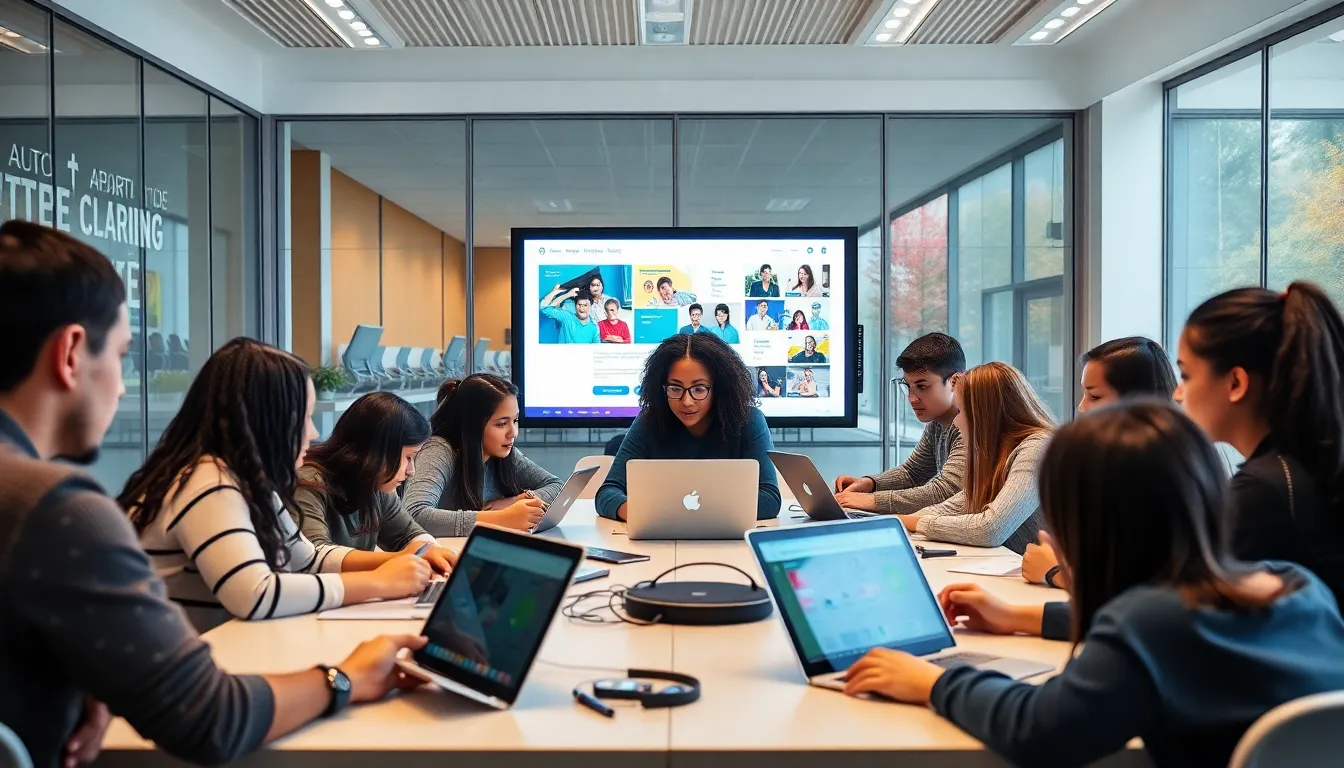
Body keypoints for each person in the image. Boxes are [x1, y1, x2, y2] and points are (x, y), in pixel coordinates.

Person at [0, 221, 426, 768]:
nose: (124, 385)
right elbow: (210, 716)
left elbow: (304, 558)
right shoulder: (59, 509)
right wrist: (347, 678)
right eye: (123, 356)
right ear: (72, 353)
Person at [847, 402, 1344, 768]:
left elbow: (1038, 729)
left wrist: (933, 681)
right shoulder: (1299, 587)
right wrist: (1028, 615)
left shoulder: (1146, 626)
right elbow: (1191, 628)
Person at [122, 339, 435, 633]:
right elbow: (255, 593)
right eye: (305, 416)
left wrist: (401, 564)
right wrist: (379, 583)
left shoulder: (243, 480)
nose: (312, 433)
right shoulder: (208, 481)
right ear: (269, 420)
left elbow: (307, 560)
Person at [1176, 282, 1344, 603]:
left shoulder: (1261, 493)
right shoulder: (1305, 468)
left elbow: (1184, 614)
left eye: (1186, 376)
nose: (1177, 394)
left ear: (1236, 383)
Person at [1022, 336, 1177, 587]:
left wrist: (1056, 572)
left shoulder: (1159, 473)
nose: (1082, 408)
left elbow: (1137, 589)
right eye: (1084, 394)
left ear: (1137, 398)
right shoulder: (1114, 463)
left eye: (1094, 397)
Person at [597, 333, 781, 522]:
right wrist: (641, 514)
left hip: (728, 544)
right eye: (675, 389)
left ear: (720, 388)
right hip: (659, 539)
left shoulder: (749, 421)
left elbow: (770, 499)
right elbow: (608, 492)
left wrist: (684, 514)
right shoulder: (649, 421)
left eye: (699, 389)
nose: (686, 401)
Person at [896, 362, 1053, 552]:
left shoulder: (1038, 448)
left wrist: (918, 523)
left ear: (984, 414)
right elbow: (954, 506)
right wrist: (898, 523)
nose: (956, 421)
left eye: (961, 411)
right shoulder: (996, 452)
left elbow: (991, 529)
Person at [293, 392, 457, 567]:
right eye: (408, 457)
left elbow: (407, 535)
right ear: (377, 453)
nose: (411, 471)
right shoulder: (307, 483)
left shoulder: (375, 484)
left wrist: (432, 551)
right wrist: (409, 557)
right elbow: (314, 554)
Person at [405, 374, 563, 536]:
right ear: (473, 425)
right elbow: (414, 515)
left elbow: (557, 487)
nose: (513, 433)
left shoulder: (504, 452)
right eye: (501, 424)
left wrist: (512, 502)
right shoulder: (438, 451)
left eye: (515, 420)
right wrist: (501, 518)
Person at [834, 333, 966, 515]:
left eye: (922, 387)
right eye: (909, 387)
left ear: (954, 382)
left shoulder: (972, 425)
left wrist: (872, 500)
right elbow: (913, 473)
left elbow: (946, 492)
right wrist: (870, 484)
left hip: (996, 544)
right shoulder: (937, 423)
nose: (911, 398)